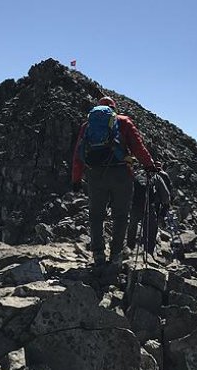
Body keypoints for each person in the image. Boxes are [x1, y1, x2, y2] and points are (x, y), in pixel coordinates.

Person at [71, 96, 158, 269]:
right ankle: (116, 254)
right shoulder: (124, 122)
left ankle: (98, 254)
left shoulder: (87, 126)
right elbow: (138, 147)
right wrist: (149, 165)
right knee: (120, 215)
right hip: (121, 174)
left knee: (96, 215)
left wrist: (76, 179)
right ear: (113, 108)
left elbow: (78, 154)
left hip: (95, 175)